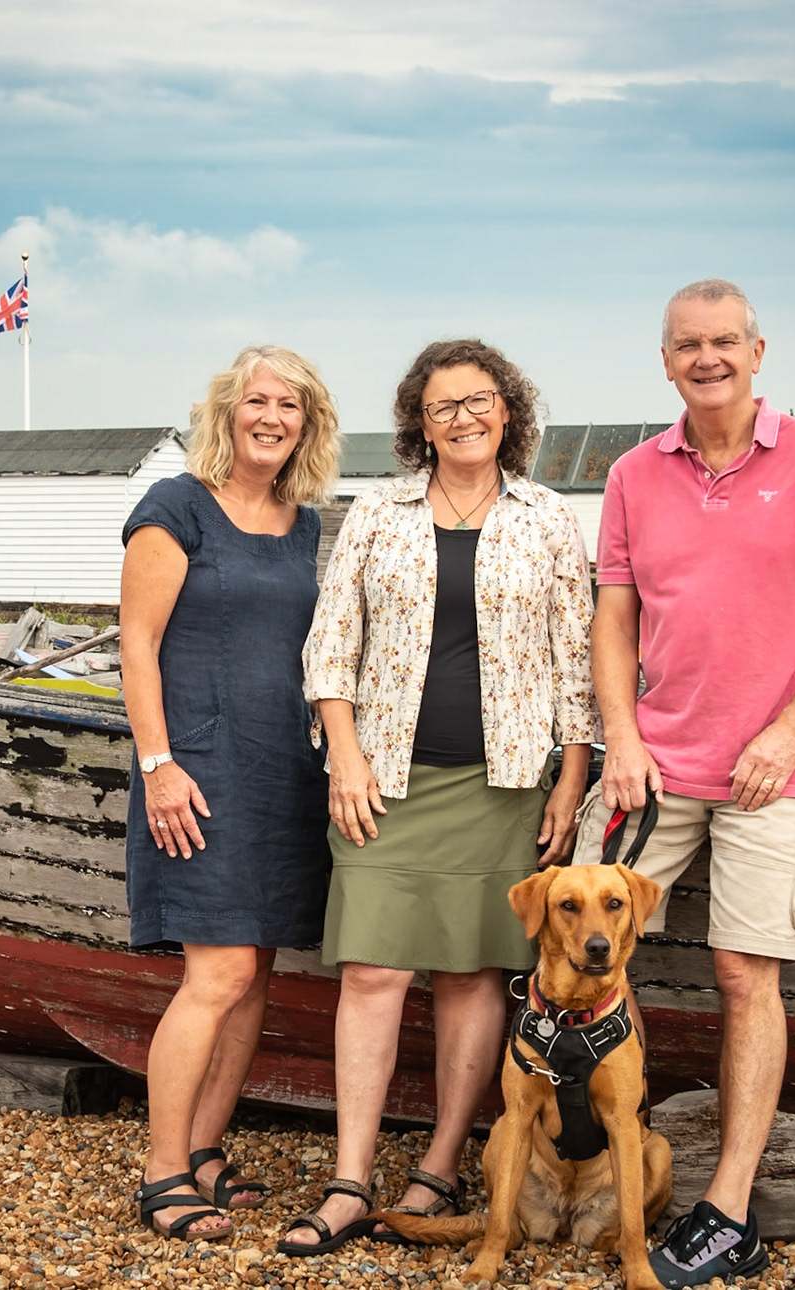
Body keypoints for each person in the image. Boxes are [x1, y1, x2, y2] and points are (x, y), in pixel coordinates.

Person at [587, 279, 795, 1287]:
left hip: (781, 765)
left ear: (757, 352)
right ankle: (593, 1164)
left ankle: (727, 1210)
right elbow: (616, 620)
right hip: (658, 760)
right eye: (687, 344)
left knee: (739, 976)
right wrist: (620, 737)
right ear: (665, 359)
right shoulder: (635, 473)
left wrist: (790, 728)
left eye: (725, 341)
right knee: (574, 950)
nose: (707, 358)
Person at [282, 338, 595, 1256]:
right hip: (384, 777)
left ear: (510, 410)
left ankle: (439, 1167)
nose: (465, 417)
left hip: (505, 785)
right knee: (373, 971)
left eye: (481, 400)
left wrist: (570, 783)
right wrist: (344, 756)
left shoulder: (546, 518)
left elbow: (575, 666)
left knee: (470, 974)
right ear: (420, 422)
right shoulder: (379, 511)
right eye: (443, 405)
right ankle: (348, 1180)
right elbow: (331, 646)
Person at [120, 344, 341, 1242]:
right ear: (228, 410)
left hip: (281, 769)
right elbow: (135, 645)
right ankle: (162, 1169)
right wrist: (157, 764)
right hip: (197, 772)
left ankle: (207, 1147)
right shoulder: (174, 508)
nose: (272, 417)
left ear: (307, 423)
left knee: (257, 976)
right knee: (217, 972)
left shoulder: (303, 523)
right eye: (257, 400)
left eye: (290, 405)